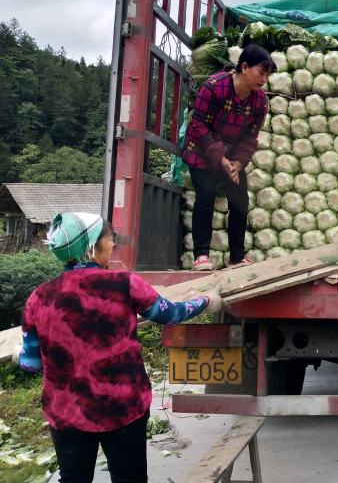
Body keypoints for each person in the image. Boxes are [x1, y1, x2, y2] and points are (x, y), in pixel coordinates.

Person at [14, 212, 224, 483]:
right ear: (93, 246)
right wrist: (206, 301)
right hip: (123, 409)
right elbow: (169, 314)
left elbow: (31, 364)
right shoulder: (125, 284)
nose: (113, 245)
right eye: (109, 238)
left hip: (67, 413)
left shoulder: (39, 297)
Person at [183, 44, 275, 270]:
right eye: (261, 73)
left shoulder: (260, 101)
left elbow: (250, 138)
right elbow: (199, 125)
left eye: (267, 75)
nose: (264, 79)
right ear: (244, 67)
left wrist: (237, 163)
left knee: (240, 200)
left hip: (232, 156)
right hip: (202, 152)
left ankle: (236, 257)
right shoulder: (214, 87)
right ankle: (201, 255)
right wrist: (220, 157)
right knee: (205, 194)